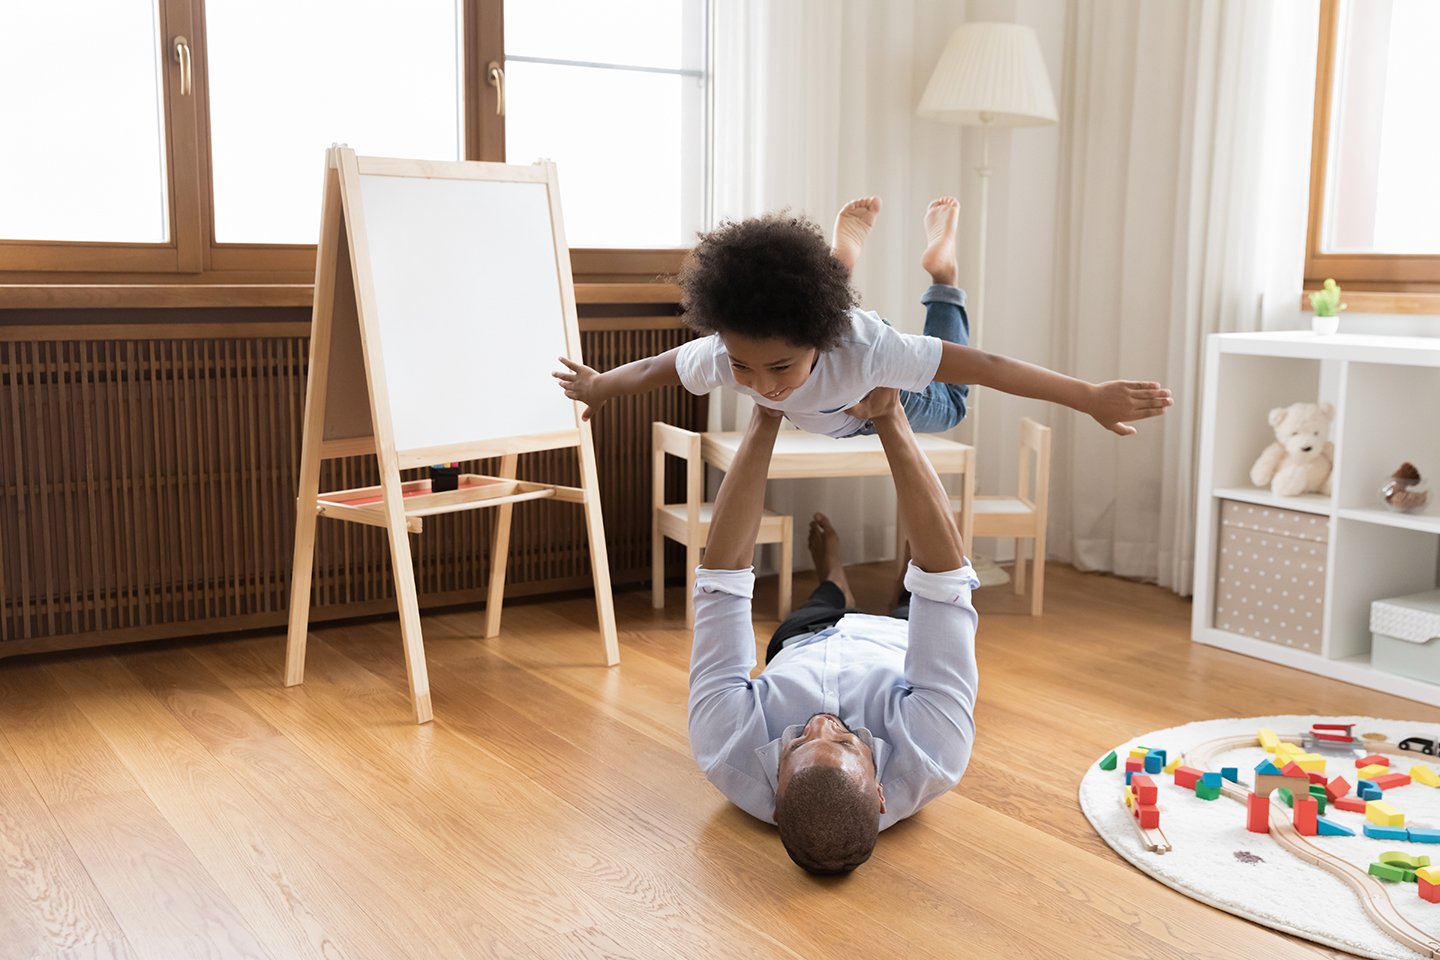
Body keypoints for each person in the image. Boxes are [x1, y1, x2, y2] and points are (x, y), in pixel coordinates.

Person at [553, 197, 1172, 439]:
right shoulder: (731, 348)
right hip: (829, 343)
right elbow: (662, 367)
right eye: (743, 365)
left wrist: (1088, 395)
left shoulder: (872, 353)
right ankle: (841, 256)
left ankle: (943, 277)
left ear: (814, 344)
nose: (762, 384)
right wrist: (601, 385)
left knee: (953, 407)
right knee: (823, 297)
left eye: (780, 368)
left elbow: (985, 367)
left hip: (869, 392)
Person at [687, 386, 979, 873]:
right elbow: (947, 583)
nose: (821, 722)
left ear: (775, 801)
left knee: (817, 607)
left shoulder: (723, 747)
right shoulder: (935, 752)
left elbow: (721, 582)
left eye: (796, 742)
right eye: (845, 743)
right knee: (926, 595)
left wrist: (765, 415)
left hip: (806, 640)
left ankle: (834, 583)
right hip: (898, 650)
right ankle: (882, 581)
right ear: (881, 794)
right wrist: (888, 413)